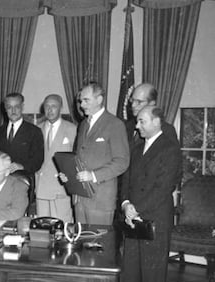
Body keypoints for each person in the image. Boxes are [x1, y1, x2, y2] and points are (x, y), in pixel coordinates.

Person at [119, 106, 182, 282]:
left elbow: (164, 188)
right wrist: (126, 204)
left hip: (155, 219)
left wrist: (136, 210)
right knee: (131, 271)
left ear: (157, 122)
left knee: (153, 276)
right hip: (132, 217)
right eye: (137, 121)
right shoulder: (136, 148)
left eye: (142, 121)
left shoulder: (170, 148)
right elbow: (126, 181)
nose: (137, 126)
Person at [63, 82, 129, 225]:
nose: (81, 105)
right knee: (81, 243)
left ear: (99, 100)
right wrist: (68, 175)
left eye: (86, 100)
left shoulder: (114, 124)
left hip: (100, 200)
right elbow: (79, 158)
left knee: (98, 244)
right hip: (80, 198)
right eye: (81, 101)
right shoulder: (83, 125)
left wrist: (93, 176)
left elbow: (122, 162)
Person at [35, 94, 76, 222]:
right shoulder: (37, 129)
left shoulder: (72, 129)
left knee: (63, 227)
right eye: (47, 106)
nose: (50, 110)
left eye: (54, 106)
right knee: (43, 229)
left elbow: (76, 159)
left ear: (61, 108)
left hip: (61, 188)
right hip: (41, 188)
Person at [0, 93, 44, 203]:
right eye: (9, 107)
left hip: (23, 183)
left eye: (17, 107)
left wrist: (21, 166)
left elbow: (38, 160)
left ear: (22, 107)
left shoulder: (34, 131)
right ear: (5, 109)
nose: (13, 111)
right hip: (1, 184)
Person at [126, 83, 178, 149]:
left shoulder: (166, 130)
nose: (133, 105)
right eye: (132, 100)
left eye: (139, 101)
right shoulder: (125, 126)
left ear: (152, 103)